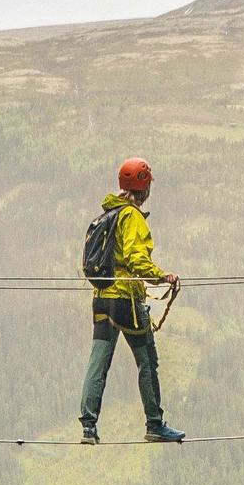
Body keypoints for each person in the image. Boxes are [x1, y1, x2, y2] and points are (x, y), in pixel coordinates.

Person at [80, 158, 184, 443]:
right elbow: (136, 260)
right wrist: (162, 276)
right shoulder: (131, 217)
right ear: (145, 187)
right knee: (147, 361)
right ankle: (155, 424)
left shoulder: (108, 215)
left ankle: (88, 426)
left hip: (102, 298)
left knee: (98, 362)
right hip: (126, 301)